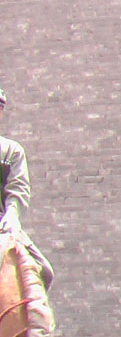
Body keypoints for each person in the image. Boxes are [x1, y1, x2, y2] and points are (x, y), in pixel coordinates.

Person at [0, 87, 54, 289]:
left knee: (44, 272)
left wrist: (12, 214)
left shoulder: (11, 151)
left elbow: (18, 187)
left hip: (1, 227)